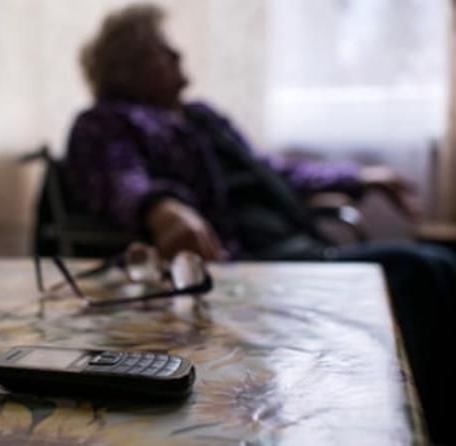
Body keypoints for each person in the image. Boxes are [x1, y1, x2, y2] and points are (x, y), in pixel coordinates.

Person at [64, 4, 454, 442]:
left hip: (292, 249)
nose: (177, 56)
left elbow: (271, 171)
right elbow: (119, 181)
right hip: (246, 266)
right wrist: (165, 209)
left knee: (440, 264)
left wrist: (361, 176)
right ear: (127, 65)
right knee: (419, 270)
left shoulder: (202, 117)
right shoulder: (105, 122)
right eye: (161, 50)